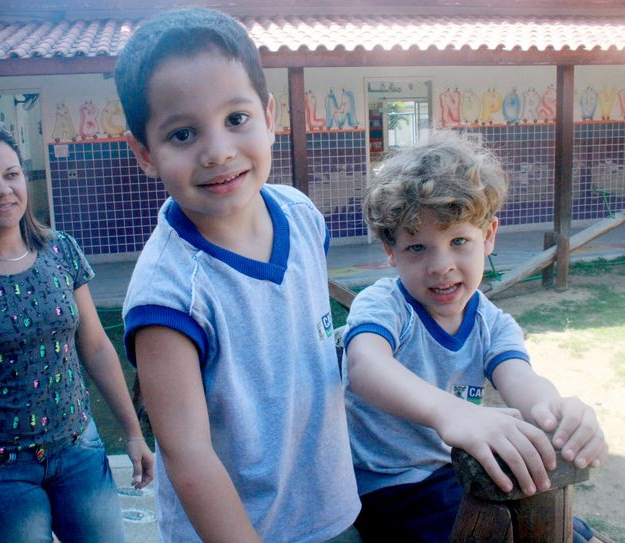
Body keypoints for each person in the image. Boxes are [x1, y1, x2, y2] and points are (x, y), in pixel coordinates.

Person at [115, 7, 360, 541]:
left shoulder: (300, 214)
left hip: (332, 507)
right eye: (182, 134)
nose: (219, 151)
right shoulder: (169, 295)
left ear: (269, 117)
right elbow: (189, 456)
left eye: (236, 119)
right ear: (144, 153)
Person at [343, 132, 608, 542]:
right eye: (417, 248)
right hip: (390, 486)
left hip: (459, 472)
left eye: (459, 241)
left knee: (561, 526)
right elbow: (365, 367)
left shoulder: (491, 322)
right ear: (390, 252)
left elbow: (523, 381)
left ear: (489, 237)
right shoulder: (385, 305)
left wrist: (561, 416)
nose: (441, 266)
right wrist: (452, 413)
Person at [0, 117, 154, 543]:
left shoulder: (60, 250)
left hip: (78, 449)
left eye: (11, 174)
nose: (2, 190)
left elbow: (95, 347)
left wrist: (132, 432)